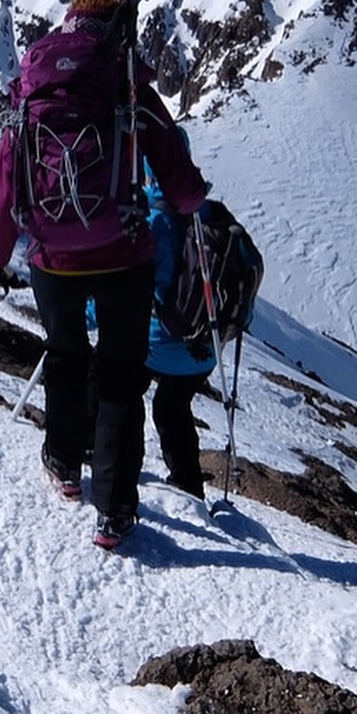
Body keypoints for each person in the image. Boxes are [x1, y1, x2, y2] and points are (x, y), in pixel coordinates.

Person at [0, 0, 207, 549]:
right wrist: (191, 197)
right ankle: (115, 511)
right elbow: (180, 189)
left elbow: (6, 180)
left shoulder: (34, 85)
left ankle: (62, 464)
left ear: (71, 21)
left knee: (63, 355)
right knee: (121, 377)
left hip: (51, 256)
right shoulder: (127, 81)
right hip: (124, 253)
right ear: (116, 26)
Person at [144, 162, 215, 499]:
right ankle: (188, 483)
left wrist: (84, 316)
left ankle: (92, 452)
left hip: (160, 346)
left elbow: (129, 284)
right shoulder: (207, 211)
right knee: (172, 406)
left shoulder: (152, 220)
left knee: (110, 382)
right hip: (206, 345)